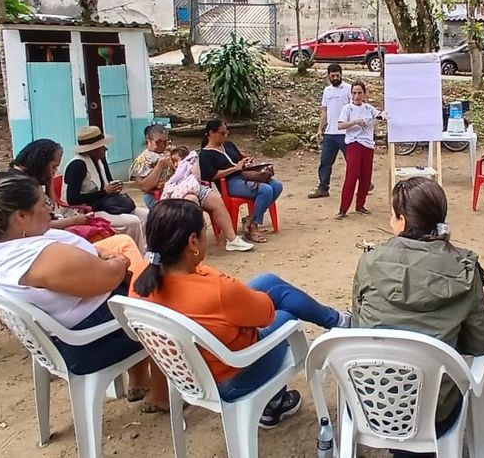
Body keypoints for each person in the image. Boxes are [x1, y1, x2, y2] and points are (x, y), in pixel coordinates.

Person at [131, 199, 348, 424]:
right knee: (286, 317)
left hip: (187, 373)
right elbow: (266, 315)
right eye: (205, 233)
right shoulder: (216, 289)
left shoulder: (140, 277)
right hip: (233, 377)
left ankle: (337, 320)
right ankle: (274, 402)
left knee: (267, 281)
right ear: (193, 241)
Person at [0, 172, 159, 405]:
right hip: (87, 344)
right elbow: (111, 275)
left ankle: (140, 380)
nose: (51, 210)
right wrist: (118, 261)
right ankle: (161, 394)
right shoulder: (44, 258)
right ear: (21, 215)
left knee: (137, 281)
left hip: (50, 340)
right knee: (158, 293)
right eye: (43, 203)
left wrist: (101, 255)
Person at [353, 178, 484, 448]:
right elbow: (480, 342)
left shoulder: (369, 262)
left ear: (402, 222)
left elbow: (359, 327)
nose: (390, 219)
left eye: (392, 215)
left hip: (372, 402)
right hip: (435, 411)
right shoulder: (464, 269)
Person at [62, 126, 147, 250]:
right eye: (102, 146)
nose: (105, 149)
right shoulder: (77, 165)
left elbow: (108, 182)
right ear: (92, 149)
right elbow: (72, 199)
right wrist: (104, 192)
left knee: (146, 214)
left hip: (104, 204)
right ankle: (132, 253)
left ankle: (144, 249)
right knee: (132, 222)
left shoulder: (100, 161)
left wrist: (115, 187)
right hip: (86, 210)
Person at [199, 119, 283, 242]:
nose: (225, 136)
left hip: (244, 175)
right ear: (211, 133)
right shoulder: (205, 154)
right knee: (265, 190)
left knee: (277, 186)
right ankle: (253, 226)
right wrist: (234, 168)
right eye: (222, 133)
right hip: (229, 182)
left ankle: (249, 219)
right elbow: (210, 175)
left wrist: (246, 161)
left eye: (226, 133)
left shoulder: (228, 145)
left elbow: (239, 157)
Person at [161, 148, 255, 251]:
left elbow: (197, 176)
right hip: (178, 193)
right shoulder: (163, 165)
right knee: (191, 202)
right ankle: (191, 243)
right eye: (173, 161)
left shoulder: (188, 161)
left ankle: (232, 240)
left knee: (216, 201)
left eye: (177, 161)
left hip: (196, 187)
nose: (175, 164)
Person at [11, 139, 93, 230]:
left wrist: (49, 183)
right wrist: (72, 221)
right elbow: (39, 224)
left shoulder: (29, 179)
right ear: (41, 163)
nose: (54, 172)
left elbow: (50, 209)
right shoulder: (20, 185)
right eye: (53, 167)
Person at [336, 81, 383, 219]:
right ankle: (343, 208)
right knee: (351, 175)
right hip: (354, 143)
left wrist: (383, 115)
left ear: (364, 94)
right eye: (354, 93)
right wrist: (355, 121)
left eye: (359, 93)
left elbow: (379, 114)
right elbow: (340, 125)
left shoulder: (368, 108)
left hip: (368, 145)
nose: (357, 96)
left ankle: (360, 204)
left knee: (366, 176)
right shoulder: (347, 109)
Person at [309, 63, 352, 199]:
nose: (335, 78)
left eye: (337, 75)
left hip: (345, 132)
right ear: (328, 76)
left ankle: (365, 183)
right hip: (330, 133)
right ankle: (323, 188)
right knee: (325, 162)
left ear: (341, 74)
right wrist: (320, 129)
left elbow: (354, 109)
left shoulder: (349, 89)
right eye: (332, 76)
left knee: (352, 161)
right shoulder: (327, 91)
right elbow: (324, 111)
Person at [130, 124, 175, 207]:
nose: (162, 145)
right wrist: (159, 167)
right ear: (148, 139)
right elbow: (144, 187)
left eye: (165, 142)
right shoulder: (142, 160)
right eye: (158, 142)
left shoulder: (170, 152)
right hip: (155, 196)